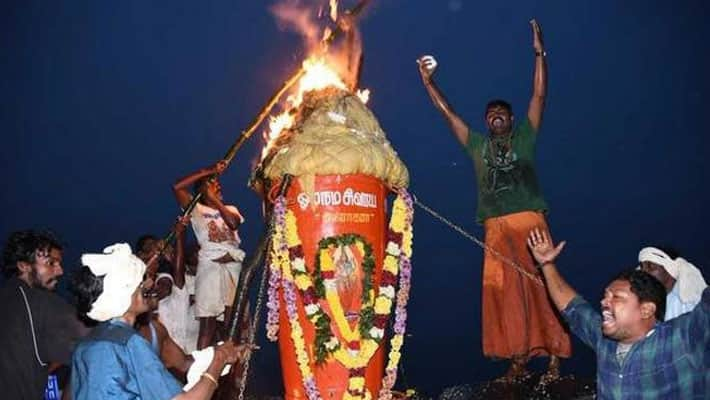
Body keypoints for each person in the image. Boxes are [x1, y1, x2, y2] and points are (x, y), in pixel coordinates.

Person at [417, 19, 570, 381]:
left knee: (542, 285)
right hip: (496, 228)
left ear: (511, 119)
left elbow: (539, 95)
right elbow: (447, 113)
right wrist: (428, 82)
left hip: (529, 222)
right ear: (486, 123)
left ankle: (554, 358)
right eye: (490, 115)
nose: (495, 117)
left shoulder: (525, 138)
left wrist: (539, 52)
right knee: (504, 293)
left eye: (501, 113)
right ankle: (517, 360)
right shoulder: (477, 146)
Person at [527, 228, 709, 398]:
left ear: (646, 309)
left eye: (617, 297)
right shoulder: (604, 342)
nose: (603, 302)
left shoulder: (682, 336)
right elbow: (573, 306)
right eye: (605, 295)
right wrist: (547, 264)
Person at [71, 242, 247, 400]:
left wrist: (218, 351)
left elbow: (184, 362)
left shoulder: (87, 344)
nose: (147, 285)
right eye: (138, 285)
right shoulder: (130, 343)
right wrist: (219, 360)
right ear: (121, 295)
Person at [0, 230, 84, 399]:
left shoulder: (7, 297)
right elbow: (96, 343)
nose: (60, 271)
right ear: (23, 265)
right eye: (51, 263)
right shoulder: (39, 301)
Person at [173, 160, 246, 349]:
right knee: (208, 326)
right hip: (209, 268)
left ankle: (228, 371)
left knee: (232, 323)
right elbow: (177, 186)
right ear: (202, 191)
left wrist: (215, 200)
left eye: (218, 185)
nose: (218, 187)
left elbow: (233, 224)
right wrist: (209, 170)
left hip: (232, 267)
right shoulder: (196, 209)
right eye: (213, 185)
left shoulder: (230, 209)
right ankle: (201, 370)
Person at [638, 246, 707, 320]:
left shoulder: (690, 301)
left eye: (651, 267)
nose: (644, 273)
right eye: (642, 268)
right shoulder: (646, 301)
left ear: (670, 269)